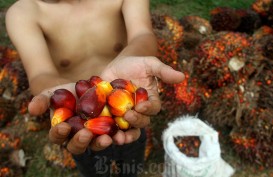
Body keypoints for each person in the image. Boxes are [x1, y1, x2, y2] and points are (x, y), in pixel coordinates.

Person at [5, 0, 184, 176]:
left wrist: (126, 62)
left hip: (129, 112)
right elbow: (39, 75)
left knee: (131, 164)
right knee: (93, 168)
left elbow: (143, 36)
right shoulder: (24, 13)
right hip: (80, 124)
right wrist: (58, 93)